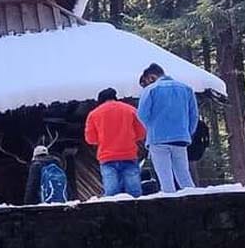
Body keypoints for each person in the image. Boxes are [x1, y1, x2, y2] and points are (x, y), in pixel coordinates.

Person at [136, 63, 198, 193]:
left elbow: (142, 114)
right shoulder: (186, 89)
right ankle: (194, 199)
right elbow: (194, 115)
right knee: (184, 175)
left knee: (165, 178)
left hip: (158, 139)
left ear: (151, 77)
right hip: (181, 138)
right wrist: (188, 132)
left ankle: (170, 204)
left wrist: (151, 127)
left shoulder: (151, 90)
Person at [85, 88, 146, 198]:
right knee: (134, 192)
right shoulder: (131, 110)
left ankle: (112, 214)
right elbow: (141, 133)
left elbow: (90, 139)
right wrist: (128, 138)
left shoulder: (94, 114)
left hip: (107, 157)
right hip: (129, 154)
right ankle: (137, 213)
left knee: (111, 193)